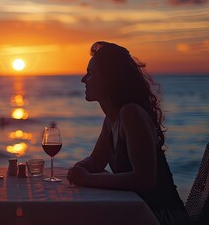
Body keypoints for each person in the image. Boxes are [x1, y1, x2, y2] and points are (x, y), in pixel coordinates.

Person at [67, 41, 188, 225]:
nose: (83, 79)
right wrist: (79, 169)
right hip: (137, 211)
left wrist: (88, 179)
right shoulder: (112, 118)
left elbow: (144, 180)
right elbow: (97, 160)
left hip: (161, 216)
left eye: (90, 74)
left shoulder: (131, 114)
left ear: (109, 79)